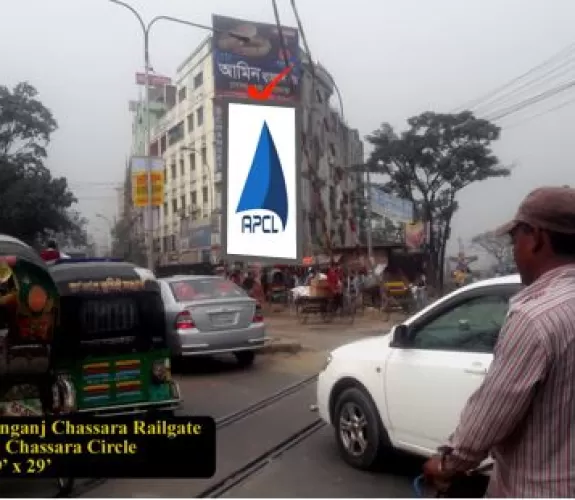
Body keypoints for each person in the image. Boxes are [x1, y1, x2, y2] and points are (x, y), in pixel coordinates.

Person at [422, 186, 575, 497]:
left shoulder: (535, 318)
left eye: (514, 239)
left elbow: (487, 421)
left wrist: (448, 463)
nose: (514, 249)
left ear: (535, 237)